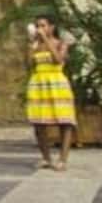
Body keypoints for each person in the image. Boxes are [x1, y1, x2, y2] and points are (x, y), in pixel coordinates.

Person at [26, 15, 77, 171]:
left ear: (51, 28)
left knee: (64, 121)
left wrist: (46, 41)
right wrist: (31, 45)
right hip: (39, 83)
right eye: (37, 26)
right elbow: (28, 65)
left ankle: (62, 159)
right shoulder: (35, 45)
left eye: (43, 25)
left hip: (57, 83)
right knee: (39, 123)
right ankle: (46, 158)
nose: (40, 29)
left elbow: (58, 60)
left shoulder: (61, 43)